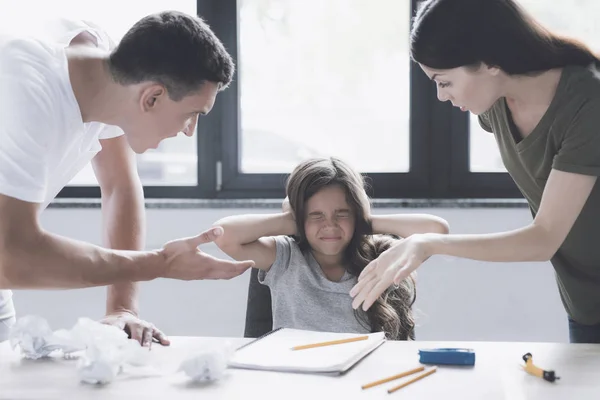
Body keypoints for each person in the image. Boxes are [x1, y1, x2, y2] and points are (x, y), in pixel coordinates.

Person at [350, 0, 600, 344]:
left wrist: (431, 244)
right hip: (584, 299)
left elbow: (544, 238)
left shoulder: (588, 102)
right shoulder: (495, 104)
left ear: (489, 62)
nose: (439, 96)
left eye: (444, 81)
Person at [0, 12, 254, 344]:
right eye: (192, 114)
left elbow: (119, 186)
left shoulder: (106, 76)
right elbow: (12, 255)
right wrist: (160, 264)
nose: (190, 132)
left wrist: (122, 309)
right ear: (152, 97)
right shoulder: (25, 87)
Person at [213, 157, 449, 339]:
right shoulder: (284, 257)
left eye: (342, 214)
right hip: (296, 378)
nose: (330, 225)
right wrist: (291, 221)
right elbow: (223, 235)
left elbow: (437, 231)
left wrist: (364, 221)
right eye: (315, 215)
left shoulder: (381, 256)